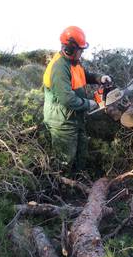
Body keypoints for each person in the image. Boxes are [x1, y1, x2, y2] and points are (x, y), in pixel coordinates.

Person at [43, 26, 112, 172]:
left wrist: (99, 78)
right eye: (80, 50)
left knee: (81, 152)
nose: (81, 53)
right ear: (70, 49)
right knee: (65, 159)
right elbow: (67, 98)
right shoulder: (60, 68)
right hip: (62, 121)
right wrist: (89, 104)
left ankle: (78, 180)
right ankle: (63, 186)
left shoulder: (74, 62)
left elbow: (84, 74)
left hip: (75, 117)